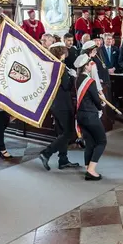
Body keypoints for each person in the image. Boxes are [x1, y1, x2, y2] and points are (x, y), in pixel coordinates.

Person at [38, 43, 80, 171]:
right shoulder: (60, 67)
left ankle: (63, 159)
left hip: (55, 104)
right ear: (61, 53)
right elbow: (66, 86)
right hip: (63, 104)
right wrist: (73, 77)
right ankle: (46, 153)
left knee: (62, 133)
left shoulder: (51, 66)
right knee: (68, 133)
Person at [74, 54, 106, 180]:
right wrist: (101, 104)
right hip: (90, 115)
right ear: (86, 66)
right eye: (90, 64)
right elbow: (96, 100)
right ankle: (92, 170)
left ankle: (88, 168)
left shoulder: (77, 79)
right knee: (102, 141)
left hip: (81, 114)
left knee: (90, 142)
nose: (91, 65)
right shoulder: (89, 81)